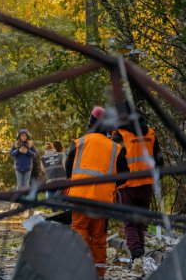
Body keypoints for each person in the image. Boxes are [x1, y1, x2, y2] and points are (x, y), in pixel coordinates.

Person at [65, 107, 129, 279]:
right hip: (103, 200)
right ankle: (99, 273)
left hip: (80, 196)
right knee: (99, 236)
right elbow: (125, 174)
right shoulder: (115, 148)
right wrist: (111, 186)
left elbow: (68, 170)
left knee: (79, 229)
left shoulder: (79, 143)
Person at [112, 109, 164, 261]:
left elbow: (114, 160)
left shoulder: (120, 134)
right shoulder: (150, 133)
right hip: (147, 183)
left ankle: (136, 251)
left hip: (128, 183)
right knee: (141, 219)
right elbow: (159, 159)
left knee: (129, 221)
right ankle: (140, 251)